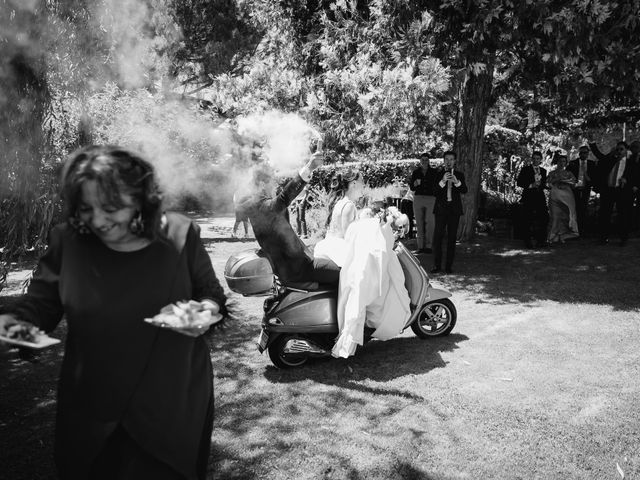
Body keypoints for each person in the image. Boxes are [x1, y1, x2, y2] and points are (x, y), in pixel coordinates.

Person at [0, 145, 227, 480]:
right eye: (86, 209)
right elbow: (41, 305)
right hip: (91, 405)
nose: (98, 220)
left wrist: (203, 313)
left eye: (110, 208)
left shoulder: (180, 234)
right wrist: (14, 326)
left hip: (171, 401)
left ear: (140, 198)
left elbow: (212, 296)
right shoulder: (68, 240)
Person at [237, 151, 340, 285]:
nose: (275, 185)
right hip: (298, 270)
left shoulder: (255, 204)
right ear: (262, 185)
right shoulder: (261, 206)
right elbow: (284, 198)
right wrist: (309, 167)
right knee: (344, 274)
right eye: (272, 182)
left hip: (292, 268)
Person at [332, 207, 411, 358]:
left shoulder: (365, 227)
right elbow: (383, 254)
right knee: (386, 291)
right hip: (370, 268)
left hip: (357, 265)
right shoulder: (381, 230)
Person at [313, 170, 364, 267]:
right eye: (362, 181)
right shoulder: (348, 205)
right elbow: (349, 237)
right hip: (338, 251)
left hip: (328, 246)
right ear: (354, 183)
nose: (364, 185)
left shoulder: (340, 202)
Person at [589, 140, 633, 245]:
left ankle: (623, 238)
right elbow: (599, 155)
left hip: (621, 191)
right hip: (608, 190)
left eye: (621, 149)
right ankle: (603, 238)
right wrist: (592, 143)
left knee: (622, 214)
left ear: (626, 150)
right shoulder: (610, 159)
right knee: (604, 214)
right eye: (617, 149)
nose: (619, 151)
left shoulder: (630, 162)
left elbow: (635, 176)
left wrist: (627, 180)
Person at [430, 151, 468, 274]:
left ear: (455, 161)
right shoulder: (438, 174)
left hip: (454, 211)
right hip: (441, 210)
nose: (449, 161)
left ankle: (448, 267)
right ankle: (437, 265)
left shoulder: (459, 174)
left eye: (451, 159)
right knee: (438, 238)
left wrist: (457, 182)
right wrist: (442, 181)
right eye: (447, 159)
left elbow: (464, 190)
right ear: (444, 160)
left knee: (452, 239)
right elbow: (434, 191)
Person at [516, 151, 549, 248]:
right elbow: (519, 182)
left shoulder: (543, 171)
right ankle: (527, 241)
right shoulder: (525, 169)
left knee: (543, 218)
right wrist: (531, 185)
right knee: (527, 219)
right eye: (534, 158)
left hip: (540, 197)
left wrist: (547, 185)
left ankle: (541, 240)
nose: (536, 160)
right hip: (528, 197)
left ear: (540, 160)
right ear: (532, 159)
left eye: (538, 159)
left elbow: (543, 184)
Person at [547, 153, 579, 244]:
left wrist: (566, 181)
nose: (562, 163)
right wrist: (556, 180)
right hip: (555, 195)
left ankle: (565, 234)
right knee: (555, 215)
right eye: (560, 161)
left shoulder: (569, 173)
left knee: (567, 215)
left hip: (567, 196)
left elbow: (574, 184)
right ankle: (553, 236)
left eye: (564, 161)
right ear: (557, 162)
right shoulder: (552, 173)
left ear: (566, 163)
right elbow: (547, 184)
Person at [409, 152, 438, 254]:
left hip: (431, 199)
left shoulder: (434, 172)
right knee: (419, 222)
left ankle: (429, 246)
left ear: (429, 161)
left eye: (426, 160)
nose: (424, 162)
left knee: (430, 222)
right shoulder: (416, 172)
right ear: (420, 161)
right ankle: (421, 246)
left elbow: (437, 186)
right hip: (418, 199)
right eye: (423, 160)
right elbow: (412, 187)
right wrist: (416, 183)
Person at [566, 145, 597, 236]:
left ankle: (582, 229)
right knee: (575, 208)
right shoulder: (573, 163)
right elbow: (567, 175)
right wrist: (572, 184)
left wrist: (588, 179)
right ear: (579, 153)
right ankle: (574, 229)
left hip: (586, 188)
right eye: (582, 152)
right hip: (575, 189)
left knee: (583, 208)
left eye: (585, 152)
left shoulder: (591, 163)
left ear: (588, 153)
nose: (583, 154)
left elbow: (594, 178)